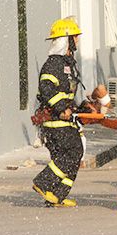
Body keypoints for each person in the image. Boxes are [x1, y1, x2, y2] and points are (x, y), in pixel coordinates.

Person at [32, 17, 85, 208]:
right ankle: (43, 182)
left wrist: (81, 107)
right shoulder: (53, 64)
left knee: (65, 157)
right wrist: (62, 108)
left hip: (65, 120)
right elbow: (46, 88)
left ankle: (55, 195)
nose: (77, 40)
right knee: (75, 151)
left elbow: (66, 92)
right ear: (66, 40)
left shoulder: (67, 64)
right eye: (75, 37)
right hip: (55, 121)